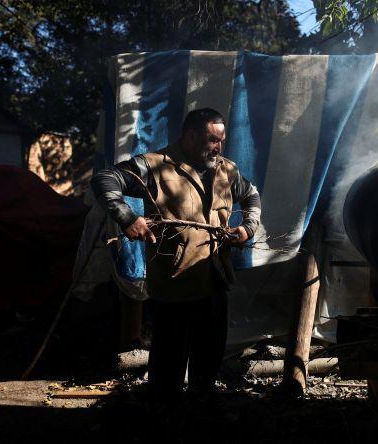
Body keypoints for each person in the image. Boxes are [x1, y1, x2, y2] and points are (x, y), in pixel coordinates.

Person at [91, 108, 261, 404]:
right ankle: (163, 413)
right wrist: (127, 217)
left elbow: (252, 195)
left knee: (209, 355)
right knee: (168, 363)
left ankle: (201, 404)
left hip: (215, 279)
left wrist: (247, 228)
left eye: (221, 141)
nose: (218, 147)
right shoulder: (154, 166)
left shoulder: (226, 170)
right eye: (212, 140)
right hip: (175, 286)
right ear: (191, 135)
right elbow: (104, 180)